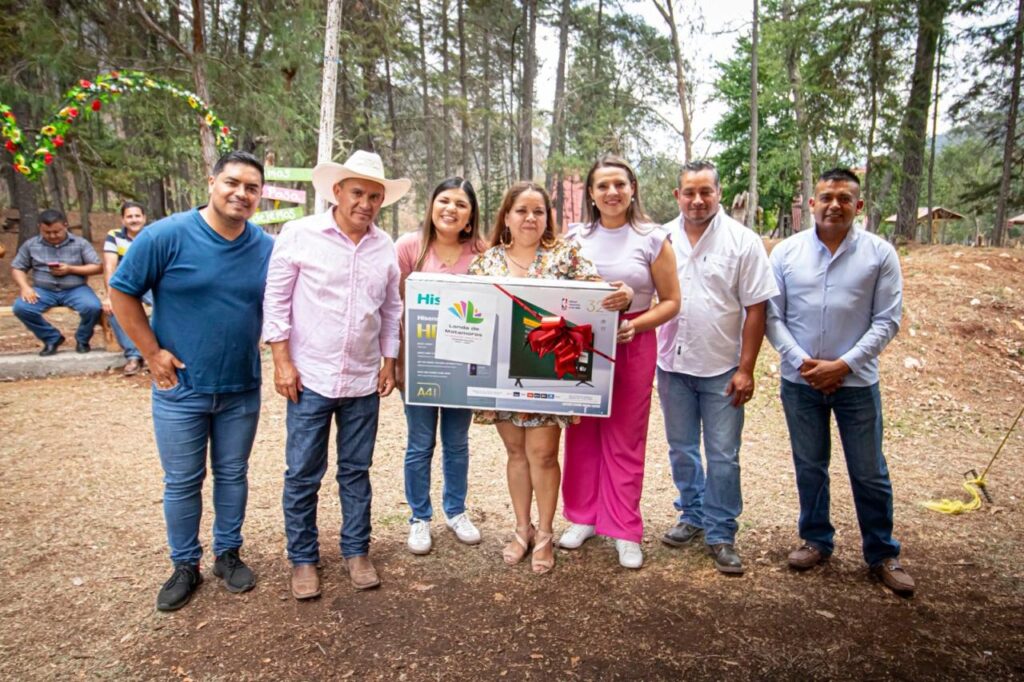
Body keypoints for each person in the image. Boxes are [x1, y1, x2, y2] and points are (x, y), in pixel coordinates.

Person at [109, 151, 274, 611]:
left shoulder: (265, 247)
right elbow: (121, 292)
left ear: (260, 196)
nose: (241, 193)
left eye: (252, 188)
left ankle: (228, 553)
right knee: (183, 481)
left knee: (233, 473)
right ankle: (185, 564)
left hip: (241, 386)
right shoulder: (166, 235)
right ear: (211, 182)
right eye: (232, 182)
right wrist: (151, 353)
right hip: (180, 388)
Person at [263, 150, 409, 600]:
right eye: (357, 193)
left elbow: (391, 309)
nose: (365, 203)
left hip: (363, 379)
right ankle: (303, 558)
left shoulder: (384, 246)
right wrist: (281, 361)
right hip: (310, 377)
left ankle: (356, 551)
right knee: (303, 472)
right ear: (337, 192)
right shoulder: (300, 234)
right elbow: (276, 300)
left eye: (374, 196)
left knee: (356, 470)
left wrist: (389, 361)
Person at [766, 167, 914, 596]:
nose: (834, 205)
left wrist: (843, 365)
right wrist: (804, 364)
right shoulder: (786, 253)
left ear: (858, 205)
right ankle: (816, 539)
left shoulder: (879, 254)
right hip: (801, 383)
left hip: (857, 384)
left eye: (844, 198)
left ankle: (882, 552)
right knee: (810, 465)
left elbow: (887, 321)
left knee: (868, 471)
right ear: (812, 203)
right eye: (827, 197)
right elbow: (773, 316)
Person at [468, 181, 600, 575]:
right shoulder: (486, 262)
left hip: (548, 373)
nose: (530, 218)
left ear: (547, 217)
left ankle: (544, 532)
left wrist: (620, 293)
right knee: (515, 453)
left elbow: (597, 295)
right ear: (507, 216)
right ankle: (521, 529)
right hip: (500, 374)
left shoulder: (565, 256)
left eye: (538, 211)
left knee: (542, 454)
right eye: (521, 210)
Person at [655, 161, 778, 575]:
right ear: (677, 196)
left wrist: (746, 369)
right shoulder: (661, 239)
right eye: (689, 192)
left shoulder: (743, 242)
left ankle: (721, 531)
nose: (697, 200)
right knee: (681, 447)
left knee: (724, 455)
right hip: (672, 365)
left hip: (722, 369)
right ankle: (692, 514)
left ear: (719, 193)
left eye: (705, 191)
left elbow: (756, 309)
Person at [559, 155, 680, 569]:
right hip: (581, 342)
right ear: (591, 194)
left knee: (625, 435)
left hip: (632, 341)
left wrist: (636, 322)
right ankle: (583, 516)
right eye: (603, 186)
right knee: (582, 431)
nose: (612, 192)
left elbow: (672, 302)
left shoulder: (653, 238)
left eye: (620, 184)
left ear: (632, 189)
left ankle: (624, 528)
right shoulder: (575, 237)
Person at [395, 177, 485, 555]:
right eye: (444, 200)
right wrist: (397, 361)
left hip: (462, 367)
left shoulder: (482, 252)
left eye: (461, 204)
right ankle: (419, 517)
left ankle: (456, 510)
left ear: (470, 216)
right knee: (419, 443)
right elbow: (393, 308)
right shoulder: (409, 248)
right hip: (419, 365)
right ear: (432, 205)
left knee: (457, 442)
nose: (451, 209)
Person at [11, 209, 103, 356]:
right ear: (39, 227)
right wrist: (25, 287)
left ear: (65, 225)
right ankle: (51, 338)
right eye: (47, 232)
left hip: (75, 289)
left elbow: (97, 267)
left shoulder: (80, 243)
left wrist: (71, 269)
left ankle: (83, 339)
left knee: (93, 307)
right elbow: (17, 268)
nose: (52, 236)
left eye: (56, 232)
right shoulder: (30, 245)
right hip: (43, 290)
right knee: (21, 308)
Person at [103, 201, 150, 375]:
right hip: (125, 282)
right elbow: (110, 266)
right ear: (123, 220)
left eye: (137, 216)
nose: (134, 220)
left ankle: (154, 352)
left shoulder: (153, 234)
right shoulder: (114, 236)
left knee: (164, 307)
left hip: (150, 281)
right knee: (114, 309)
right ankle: (133, 355)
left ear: (144, 218)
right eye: (129, 216)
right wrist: (109, 296)